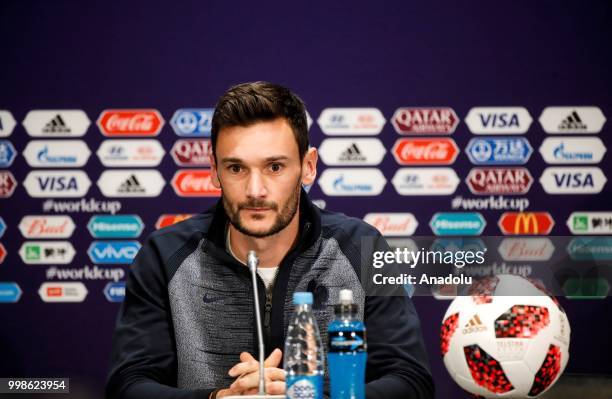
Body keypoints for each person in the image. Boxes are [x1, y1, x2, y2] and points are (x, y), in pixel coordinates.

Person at [105, 82, 434, 399]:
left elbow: (411, 381)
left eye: (275, 167)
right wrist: (219, 398)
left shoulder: (364, 247)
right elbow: (128, 384)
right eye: (236, 168)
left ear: (308, 167)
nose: (255, 191)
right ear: (213, 170)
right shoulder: (164, 255)